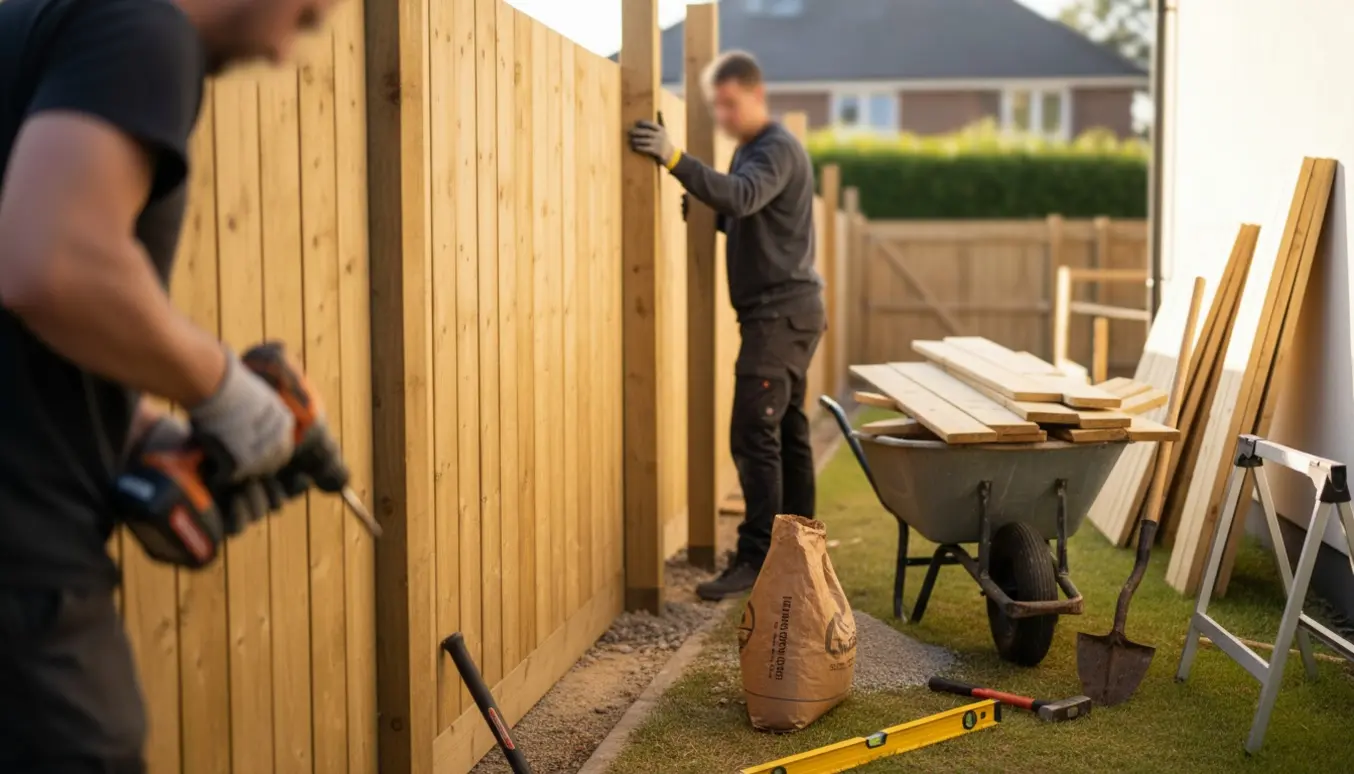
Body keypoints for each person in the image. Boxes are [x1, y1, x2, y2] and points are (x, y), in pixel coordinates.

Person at [0, 0, 337, 770]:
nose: (287, 52)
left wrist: (134, 430)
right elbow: (51, 264)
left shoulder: (38, 25)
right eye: (307, 17)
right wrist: (225, 390)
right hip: (24, 575)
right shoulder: (143, 26)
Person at [628, 51, 825, 601]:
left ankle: (758, 557)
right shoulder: (753, 150)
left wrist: (674, 160)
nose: (723, 114)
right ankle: (799, 550)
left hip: (779, 315)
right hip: (787, 311)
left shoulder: (774, 149)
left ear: (757, 96)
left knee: (752, 431)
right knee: (785, 432)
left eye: (730, 103)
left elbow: (743, 196)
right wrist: (715, 220)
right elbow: (753, 219)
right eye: (717, 105)